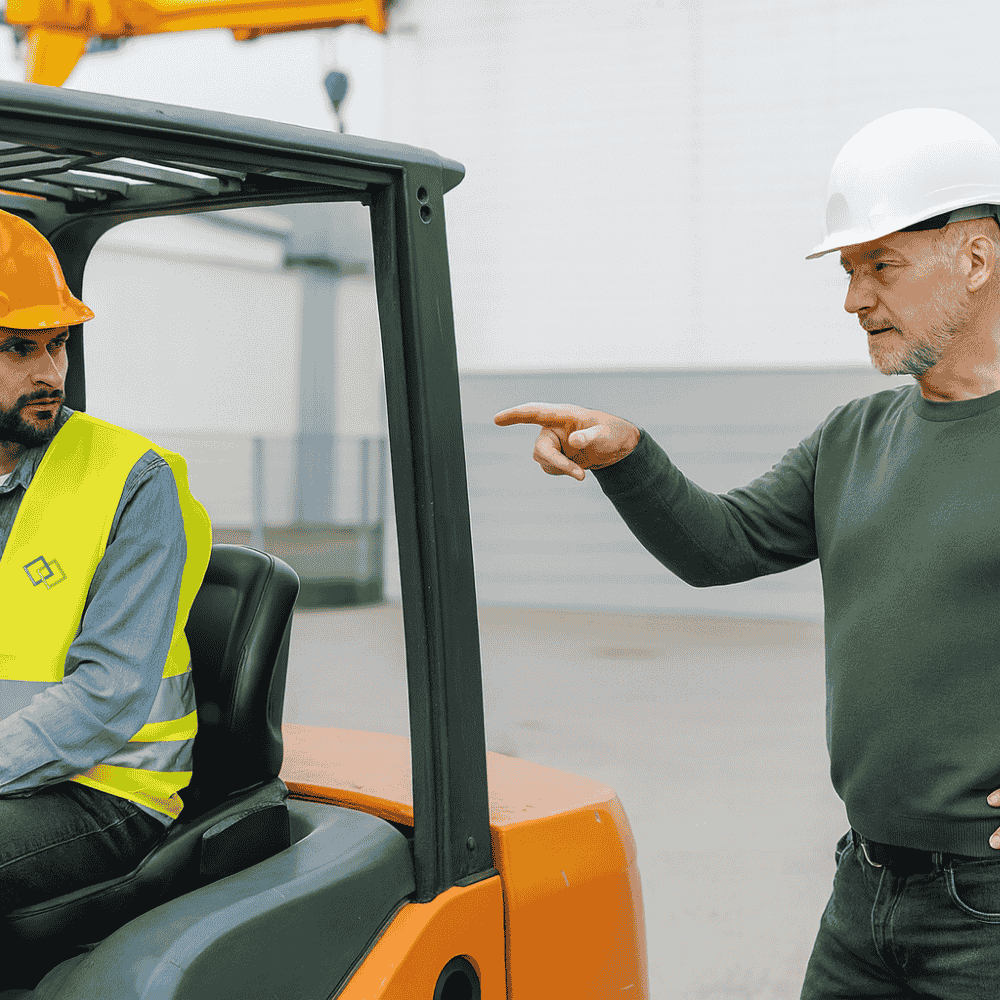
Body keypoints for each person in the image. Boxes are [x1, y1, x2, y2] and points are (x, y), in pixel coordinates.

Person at [495, 107, 1000, 998]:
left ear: (976, 255)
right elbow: (721, 545)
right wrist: (629, 456)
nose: (854, 299)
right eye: (849, 271)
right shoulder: (856, 434)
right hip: (865, 887)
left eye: (881, 265)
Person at [0, 210, 212, 926]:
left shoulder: (133, 481)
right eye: (18, 349)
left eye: (57, 345)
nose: (49, 373)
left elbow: (109, 693)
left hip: (105, 788)